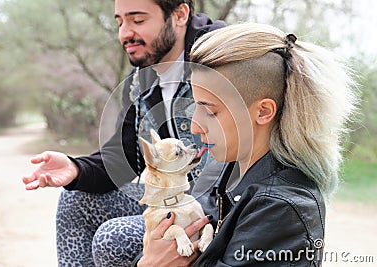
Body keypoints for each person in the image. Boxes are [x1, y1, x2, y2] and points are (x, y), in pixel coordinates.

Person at [22, 0, 227, 266]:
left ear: (179, 14)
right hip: (172, 200)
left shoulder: (222, 60)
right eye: (119, 22)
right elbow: (125, 156)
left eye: (137, 20)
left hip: (219, 206)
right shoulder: (142, 78)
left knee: (114, 237)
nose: (125, 33)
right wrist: (76, 168)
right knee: (76, 199)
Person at [135, 23, 358, 266]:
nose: (195, 127)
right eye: (195, 106)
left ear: (263, 111)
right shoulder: (230, 168)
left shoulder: (280, 210)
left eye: (210, 111)